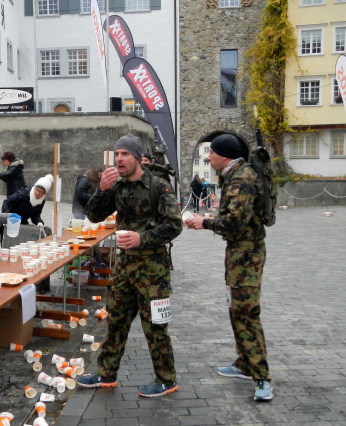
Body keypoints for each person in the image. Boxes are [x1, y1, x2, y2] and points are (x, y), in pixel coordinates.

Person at [76, 134, 183, 398]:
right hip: (124, 268)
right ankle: (106, 374)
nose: (119, 159)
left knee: (155, 326)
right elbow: (94, 215)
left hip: (153, 270)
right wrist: (102, 189)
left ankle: (166, 379)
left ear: (136, 158)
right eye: (117, 154)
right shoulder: (118, 187)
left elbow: (174, 225)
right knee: (116, 321)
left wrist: (141, 238)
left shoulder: (158, 186)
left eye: (125, 154)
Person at [184, 133, 273, 402]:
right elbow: (236, 216)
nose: (208, 158)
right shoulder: (235, 175)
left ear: (224, 155)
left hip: (246, 255)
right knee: (235, 308)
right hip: (238, 253)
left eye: (211, 152)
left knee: (246, 312)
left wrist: (204, 223)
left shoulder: (242, 179)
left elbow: (235, 222)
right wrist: (210, 219)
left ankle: (261, 377)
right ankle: (245, 363)